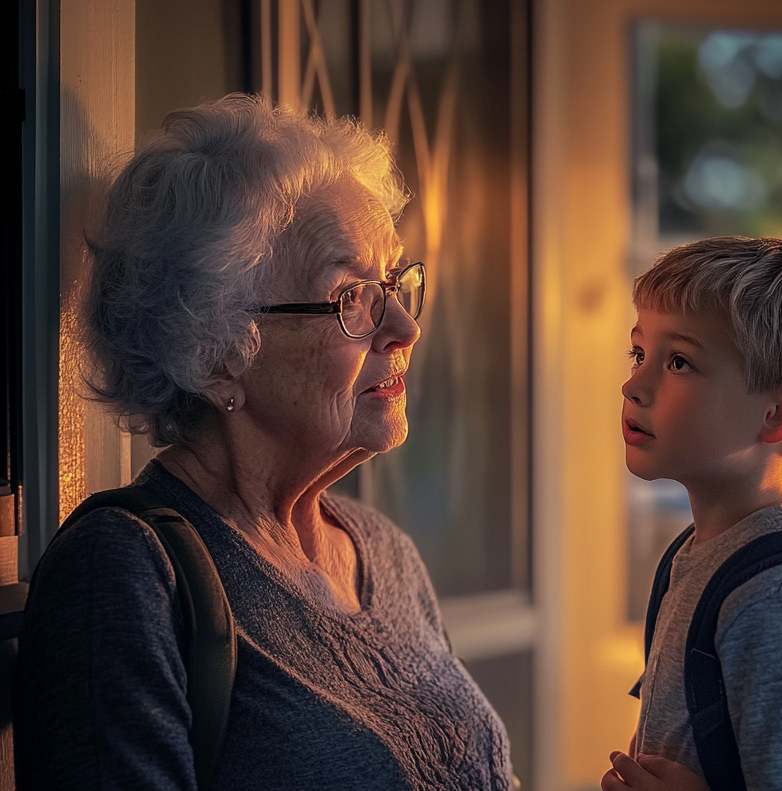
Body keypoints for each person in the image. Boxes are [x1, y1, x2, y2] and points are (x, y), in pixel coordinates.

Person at [14, 94, 514, 791]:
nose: (404, 326)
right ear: (217, 352)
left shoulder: (383, 553)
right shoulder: (123, 576)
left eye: (393, 282)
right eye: (352, 296)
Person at [602, 237, 782, 791]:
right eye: (639, 353)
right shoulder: (697, 553)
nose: (634, 385)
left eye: (679, 361)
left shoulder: (779, 602)